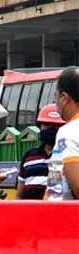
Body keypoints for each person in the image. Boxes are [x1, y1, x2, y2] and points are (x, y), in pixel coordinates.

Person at [16, 104, 65, 199]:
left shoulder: (68, 155)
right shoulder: (29, 156)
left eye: (56, 126)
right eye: (46, 124)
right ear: (40, 126)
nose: (50, 129)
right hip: (29, 211)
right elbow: (19, 195)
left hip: (57, 211)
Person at [46, 66, 79, 201]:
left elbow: (77, 186)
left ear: (65, 98)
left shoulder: (69, 132)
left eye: (56, 96)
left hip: (67, 218)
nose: (56, 102)